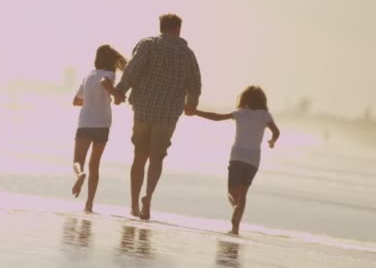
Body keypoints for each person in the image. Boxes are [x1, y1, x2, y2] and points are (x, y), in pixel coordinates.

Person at [113, 13, 202, 220]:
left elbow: (132, 70)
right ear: (178, 29)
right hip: (168, 114)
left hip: (143, 108)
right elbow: (195, 83)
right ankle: (148, 198)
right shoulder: (187, 54)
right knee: (156, 157)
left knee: (139, 155)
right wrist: (191, 105)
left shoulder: (148, 45)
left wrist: (120, 91)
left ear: (161, 27)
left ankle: (134, 204)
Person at [187, 85, 281, 235]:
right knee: (243, 192)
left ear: (244, 99)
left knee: (232, 192)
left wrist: (196, 112)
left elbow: (217, 117)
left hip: (238, 156)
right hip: (253, 158)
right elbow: (276, 131)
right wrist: (272, 141)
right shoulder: (264, 115)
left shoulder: (241, 113)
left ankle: (236, 211)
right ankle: (236, 224)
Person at [72, 44, 127, 212]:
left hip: (86, 122)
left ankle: (80, 174)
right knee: (95, 165)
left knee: (78, 161)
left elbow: (76, 101)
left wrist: (90, 100)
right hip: (102, 124)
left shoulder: (88, 75)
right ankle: (89, 204)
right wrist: (115, 94)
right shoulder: (110, 74)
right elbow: (105, 82)